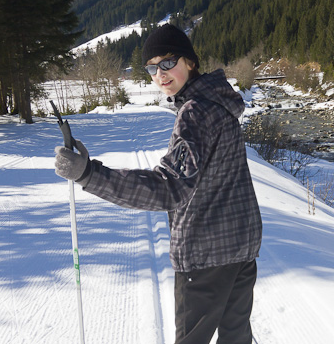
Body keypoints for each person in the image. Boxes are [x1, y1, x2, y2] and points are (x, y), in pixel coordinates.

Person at [54, 23, 262, 344]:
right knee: (237, 339)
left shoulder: (195, 113)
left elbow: (169, 188)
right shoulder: (220, 105)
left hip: (205, 256)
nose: (160, 73)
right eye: (152, 67)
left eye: (168, 62)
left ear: (190, 62)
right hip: (241, 249)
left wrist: (90, 175)